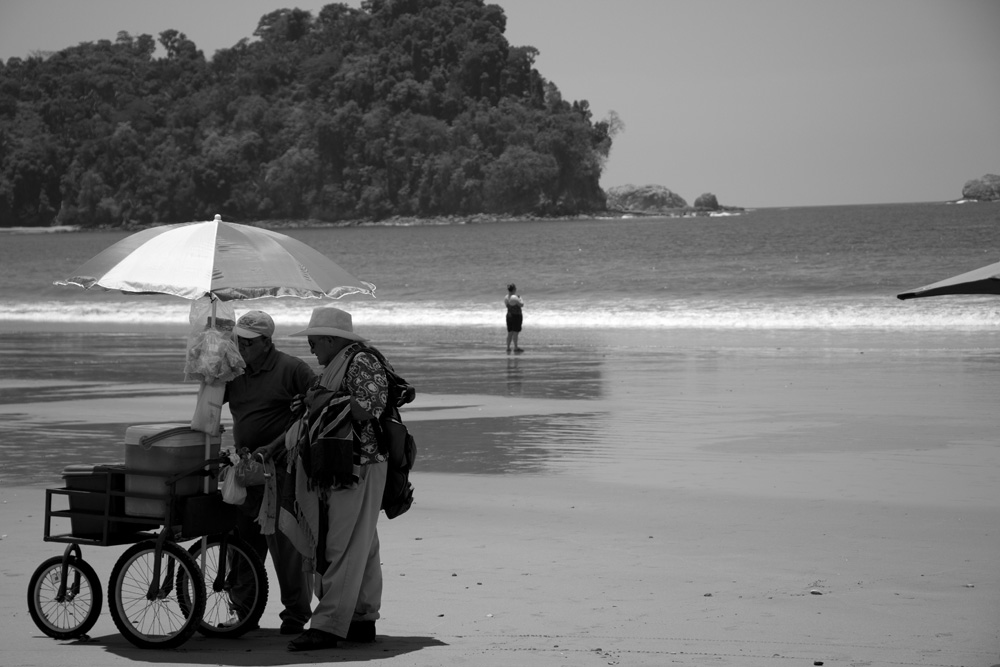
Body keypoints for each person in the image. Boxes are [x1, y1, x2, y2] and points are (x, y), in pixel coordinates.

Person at [278, 306, 390, 652]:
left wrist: (321, 403)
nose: (311, 349)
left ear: (331, 339)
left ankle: (328, 625)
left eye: (313, 341)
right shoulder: (341, 366)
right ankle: (361, 618)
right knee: (362, 542)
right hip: (354, 463)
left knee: (340, 544)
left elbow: (369, 407)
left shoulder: (361, 362)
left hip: (358, 463)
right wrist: (314, 403)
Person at [224, 310, 316, 635]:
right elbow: (208, 400)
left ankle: (294, 616)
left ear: (266, 342)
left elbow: (316, 408)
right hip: (246, 470)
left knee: (285, 545)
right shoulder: (233, 372)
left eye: (248, 343)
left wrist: (277, 444)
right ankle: (243, 612)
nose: (242, 347)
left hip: (281, 472)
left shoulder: (292, 369)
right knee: (243, 544)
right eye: (237, 340)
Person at [505, 283, 524, 353]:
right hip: (516, 316)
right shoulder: (515, 297)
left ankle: (508, 347)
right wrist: (520, 298)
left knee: (510, 332)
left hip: (509, 315)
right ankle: (515, 347)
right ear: (513, 289)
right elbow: (521, 304)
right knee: (515, 332)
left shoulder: (506, 297)